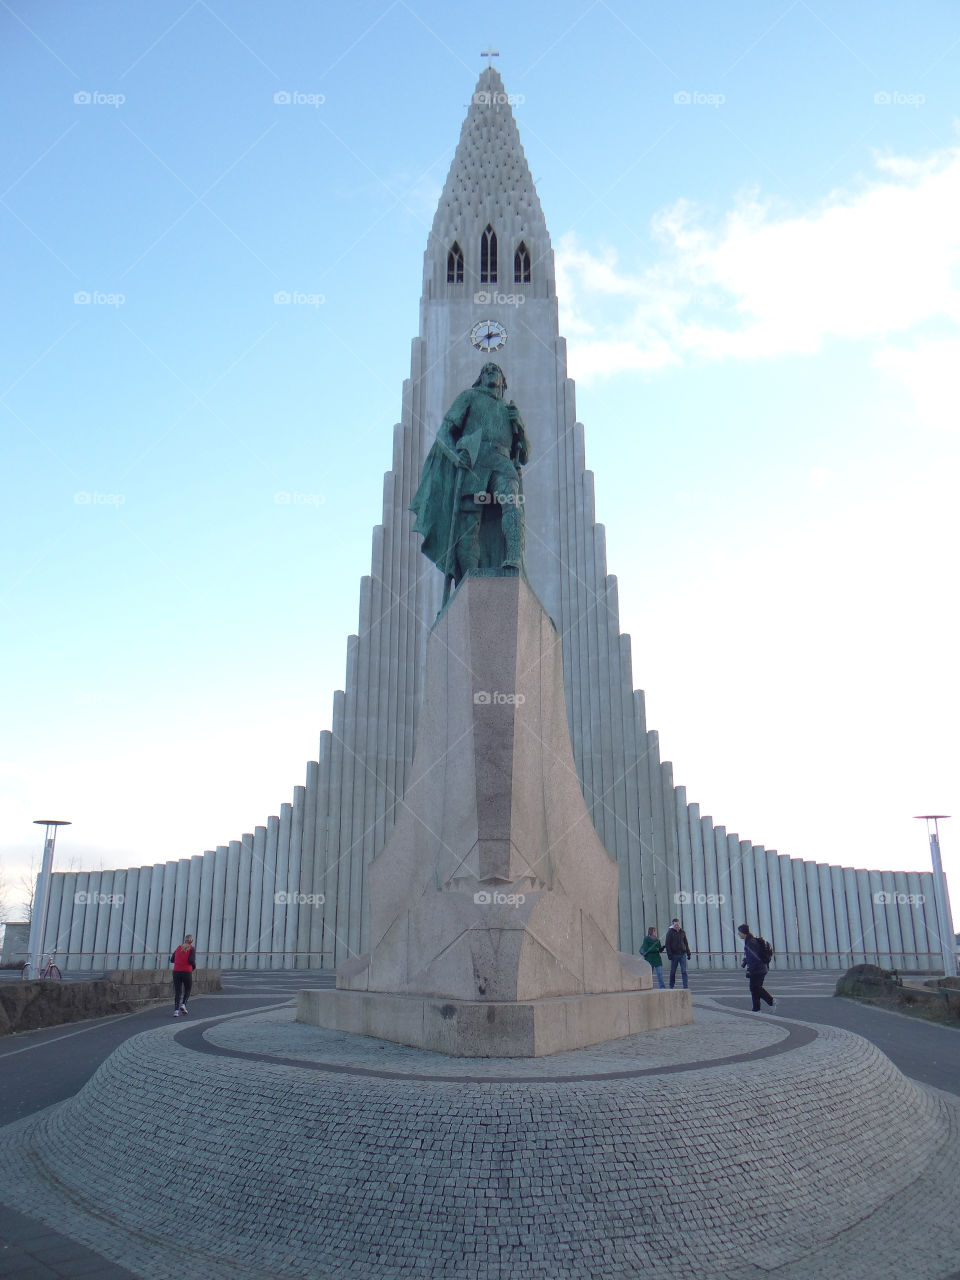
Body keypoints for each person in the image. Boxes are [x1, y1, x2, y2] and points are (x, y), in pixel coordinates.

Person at [410, 362, 530, 599]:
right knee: (469, 521)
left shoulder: (509, 411)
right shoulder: (469, 397)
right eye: (485, 370)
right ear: (479, 378)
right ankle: (468, 578)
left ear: (503, 381)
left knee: (511, 504)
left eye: (495, 369)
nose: (489, 372)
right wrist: (455, 457)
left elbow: (524, 455)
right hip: (475, 461)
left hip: (503, 462)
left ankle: (513, 559)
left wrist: (521, 427)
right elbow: (445, 432)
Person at [738, 923, 775, 1012]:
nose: (738, 934)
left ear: (743, 933)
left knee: (755, 988)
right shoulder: (751, 941)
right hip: (761, 968)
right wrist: (746, 961)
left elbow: (753, 958)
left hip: (758, 969)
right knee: (755, 988)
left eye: (739, 932)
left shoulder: (750, 942)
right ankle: (756, 1008)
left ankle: (771, 1001)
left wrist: (749, 970)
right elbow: (752, 955)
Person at [170, 933, 196, 1017]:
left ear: (185, 939)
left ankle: (176, 1011)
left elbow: (172, 959)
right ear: (191, 941)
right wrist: (194, 967)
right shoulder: (191, 948)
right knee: (187, 989)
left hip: (176, 971)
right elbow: (191, 960)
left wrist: (179, 962)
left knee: (178, 991)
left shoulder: (178, 947)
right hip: (186, 971)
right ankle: (183, 1004)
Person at [664, 917, 692, 989]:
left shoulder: (682, 932)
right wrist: (669, 954)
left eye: (678, 924)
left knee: (684, 971)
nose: (677, 926)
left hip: (682, 954)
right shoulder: (670, 933)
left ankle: (685, 986)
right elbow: (667, 944)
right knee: (673, 971)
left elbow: (686, 943)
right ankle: (671, 986)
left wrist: (688, 953)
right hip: (674, 955)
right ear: (673, 925)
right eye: (675, 925)